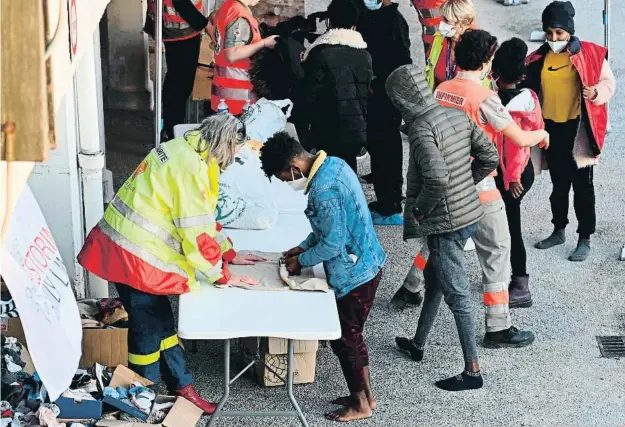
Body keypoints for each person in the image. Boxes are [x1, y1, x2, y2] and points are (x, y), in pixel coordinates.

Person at [77, 114, 264, 414]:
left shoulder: (184, 148)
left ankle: (179, 386)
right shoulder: (191, 168)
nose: (234, 160)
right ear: (226, 144)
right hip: (136, 257)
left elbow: (204, 219)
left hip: (126, 249)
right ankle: (142, 400)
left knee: (162, 324)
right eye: (236, 153)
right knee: (147, 333)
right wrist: (222, 275)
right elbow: (196, 234)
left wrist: (228, 252)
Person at [434, 29, 550, 344]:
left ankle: (412, 287)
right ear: (487, 62)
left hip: (447, 180)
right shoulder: (485, 99)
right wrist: (542, 135)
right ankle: (498, 327)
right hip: (480, 184)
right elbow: (518, 139)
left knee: (441, 241)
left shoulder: (443, 90)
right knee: (498, 250)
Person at [260, 131, 386, 421]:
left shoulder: (323, 189)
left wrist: (300, 261)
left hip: (355, 275)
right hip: (367, 262)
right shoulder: (335, 165)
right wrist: (303, 246)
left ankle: (360, 406)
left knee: (345, 340)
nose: (287, 182)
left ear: (293, 167)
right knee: (354, 336)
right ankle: (367, 395)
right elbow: (329, 228)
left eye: (283, 177)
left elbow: (332, 243)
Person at [387, 65, 499, 390]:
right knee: (434, 278)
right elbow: (489, 156)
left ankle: (472, 372)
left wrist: (421, 210)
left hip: (446, 223)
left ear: (401, 100)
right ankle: (418, 343)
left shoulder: (421, 130)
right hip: (469, 212)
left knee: (457, 293)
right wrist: (466, 184)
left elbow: (436, 177)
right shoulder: (454, 114)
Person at [524, 1, 615, 262]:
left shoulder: (591, 54)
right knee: (558, 185)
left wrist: (597, 93)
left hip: (578, 131)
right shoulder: (538, 57)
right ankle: (559, 230)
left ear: (570, 32)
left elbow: (609, 83)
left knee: (583, 188)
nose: (554, 38)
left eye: (560, 33)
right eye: (550, 32)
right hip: (551, 130)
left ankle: (584, 237)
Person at [491, 38, 545, 307]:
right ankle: (510, 278)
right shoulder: (530, 99)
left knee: (511, 229)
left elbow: (514, 149)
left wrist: (511, 178)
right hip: (525, 173)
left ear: (496, 74)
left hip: (512, 176)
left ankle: (520, 284)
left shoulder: (503, 108)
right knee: (506, 226)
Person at [356, 0, 412, 225]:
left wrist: (377, 82)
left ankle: (390, 205)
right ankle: (386, 196)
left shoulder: (394, 22)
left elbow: (400, 62)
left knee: (385, 147)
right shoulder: (373, 16)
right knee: (380, 147)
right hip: (376, 93)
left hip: (385, 95)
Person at [301, 0, 373, 172]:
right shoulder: (365, 55)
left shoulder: (318, 54)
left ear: (329, 22)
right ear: (354, 27)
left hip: (327, 130)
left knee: (327, 172)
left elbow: (309, 96)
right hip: (356, 127)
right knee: (348, 171)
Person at [145, 0, 211, 140]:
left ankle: (171, 127)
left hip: (175, 28)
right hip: (181, 30)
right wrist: (206, 25)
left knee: (176, 79)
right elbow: (182, 3)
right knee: (180, 83)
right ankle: (172, 130)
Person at [211, 0, 279, 115]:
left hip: (223, 96)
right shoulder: (238, 14)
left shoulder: (227, 7)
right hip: (239, 100)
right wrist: (265, 43)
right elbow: (232, 54)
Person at [423, 0, 481, 90]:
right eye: (443, 19)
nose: (442, 24)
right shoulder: (438, 39)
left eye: (447, 20)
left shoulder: (478, 48)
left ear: (464, 23)